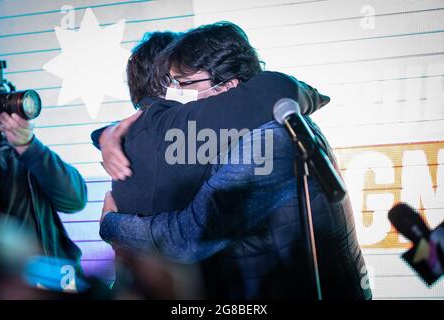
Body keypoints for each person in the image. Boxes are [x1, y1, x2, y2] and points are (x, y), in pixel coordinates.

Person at [93, 22, 371, 299]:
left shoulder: (267, 141)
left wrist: (112, 224)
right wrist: (108, 135)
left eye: (184, 83)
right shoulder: (243, 129)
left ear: (228, 87)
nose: (175, 93)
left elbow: (189, 237)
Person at [0, 112, 88, 290]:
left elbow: (75, 200)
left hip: (60, 280)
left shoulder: (20, 151)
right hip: (12, 287)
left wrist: (28, 146)